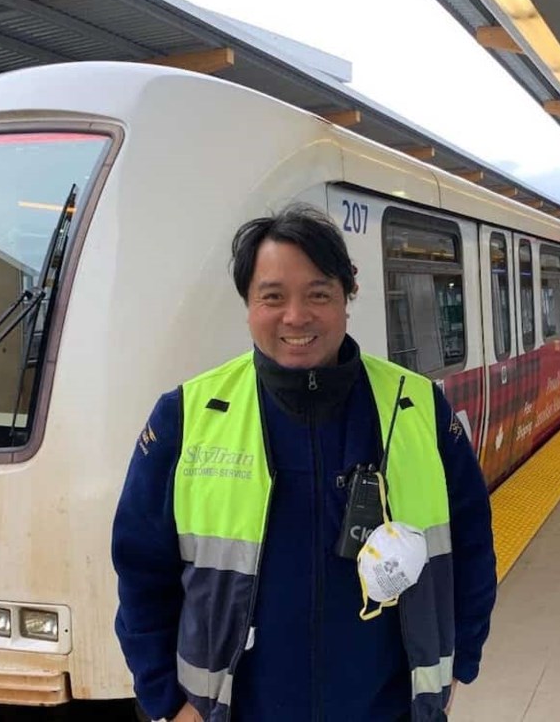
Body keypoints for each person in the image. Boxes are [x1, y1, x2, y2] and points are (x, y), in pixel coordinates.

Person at [112, 205, 496, 721]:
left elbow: (472, 544)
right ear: (248, 304)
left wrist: (459, 665)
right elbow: (140, 572)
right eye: (273, 297)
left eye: (319, 294)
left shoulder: (418, 407)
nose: (296, 316)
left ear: (347, 297)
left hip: (386, 711)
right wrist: (167, 700)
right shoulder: (187, 416)